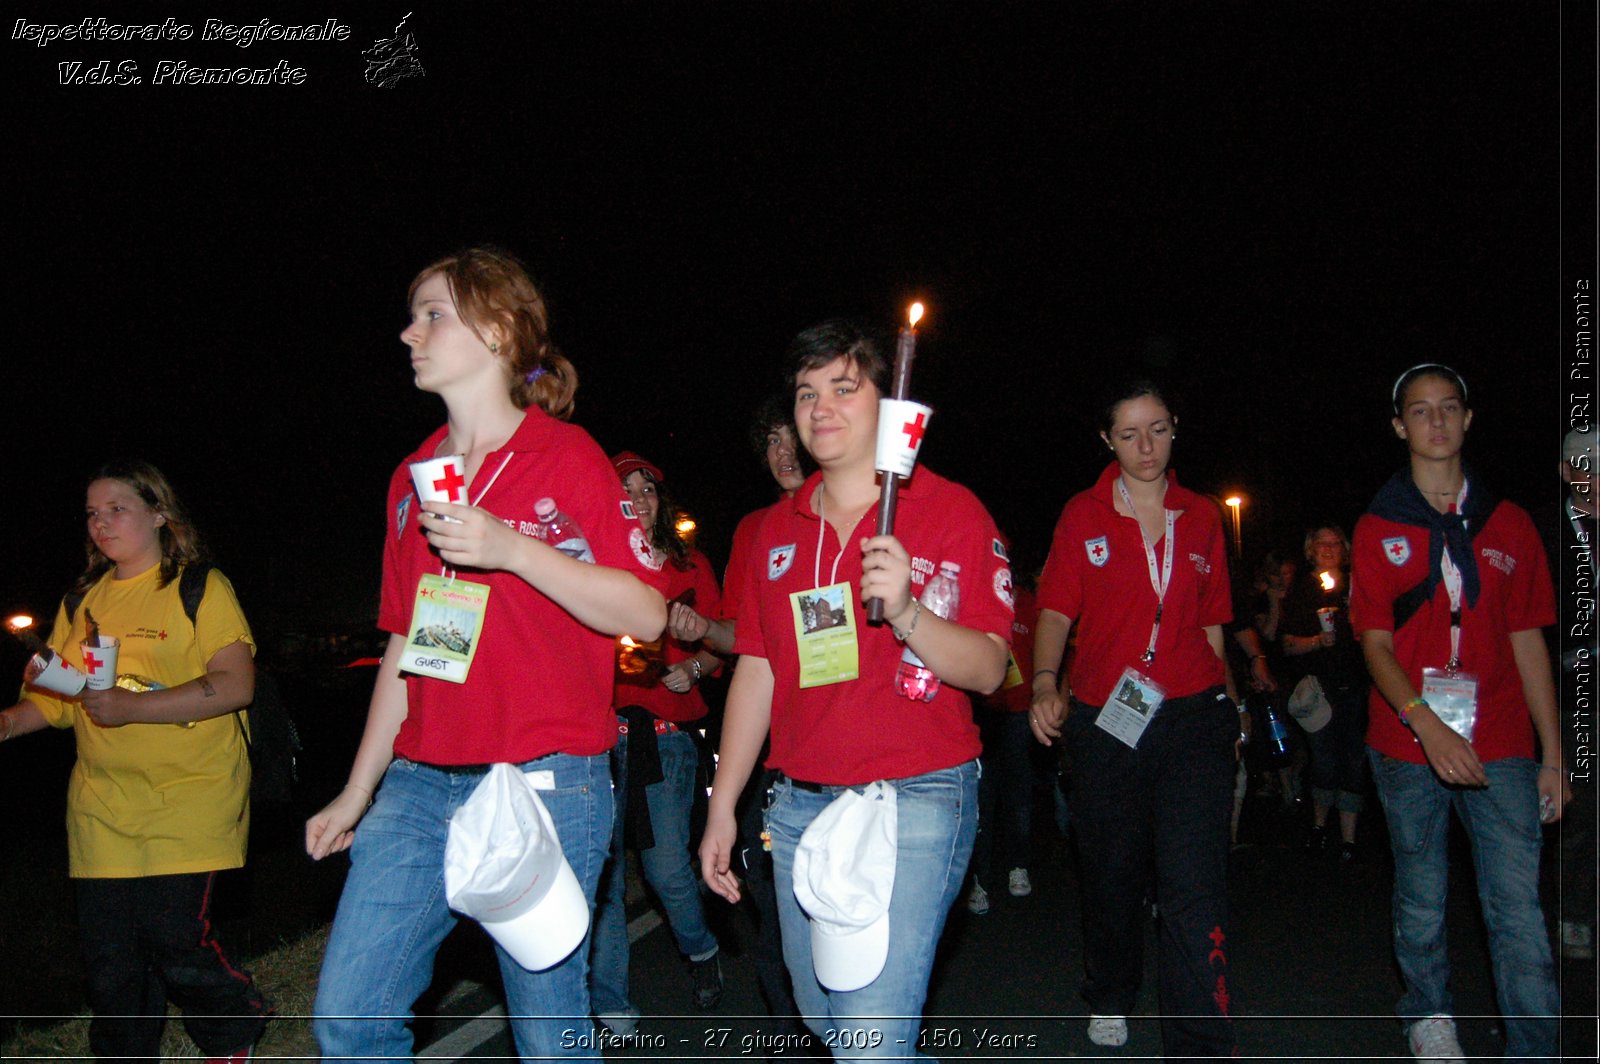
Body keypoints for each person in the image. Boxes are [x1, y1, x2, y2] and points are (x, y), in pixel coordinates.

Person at [306, 247, 666, 1060]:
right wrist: (356, 791)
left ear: (501, 330)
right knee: (349, 1022)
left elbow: (646, 611)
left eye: (432, 313)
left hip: (544, 782)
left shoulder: (568, 459)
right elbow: (412, 643)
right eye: (413, 315)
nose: (409, 333)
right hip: (420, 786)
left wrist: (512, 548)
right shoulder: (412, 478)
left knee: (550, 1035)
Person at [699, 320, 1011, 1061]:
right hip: (802, 803)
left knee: (868, 1038)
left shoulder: (949, 510)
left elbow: (991, 668)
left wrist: (907, 610)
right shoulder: (774, 532)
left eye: (844, 387)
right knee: (823, 1012)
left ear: (888, 405)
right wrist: (720, 810)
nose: (821, 408)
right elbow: (758, 670)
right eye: (807, 393)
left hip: (919, 796)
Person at [0, 460, 268, 1063]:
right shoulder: (83, 600)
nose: (101, 523)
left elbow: (234, 686)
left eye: (116, 508)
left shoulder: (199, 586)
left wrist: (130, 707)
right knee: (110, 957)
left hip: (191, 794)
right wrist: (11, 721)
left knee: (175, 936)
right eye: (92, 513)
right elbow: (60, 701)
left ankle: (234, 1026)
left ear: (158, 514)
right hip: (102, 804)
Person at [1352, 363, 1566, 1063]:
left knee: (1518, 911)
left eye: (1449, 408)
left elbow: (1528, 638)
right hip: (1407, 738)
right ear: (1399, 427)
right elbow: (1374, 643)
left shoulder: (1508, 523)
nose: (1436, 422)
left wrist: (1554, 755)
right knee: (1422, 894)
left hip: (1501, 737)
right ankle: (1429, 1011)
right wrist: (1425, 720)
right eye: (1420, 411)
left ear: (1468, 419)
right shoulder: (1379, 524)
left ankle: (1535, 1047)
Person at [1031, 380, 1239, 1058]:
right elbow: (1056, 610)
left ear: (1176, 429)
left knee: (1192, 881)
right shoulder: (1082, 514)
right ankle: (1112, 990)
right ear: (1106, 440)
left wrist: (1228, 708)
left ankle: (1198, 1038)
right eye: (1129, 433)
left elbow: (1213, 626)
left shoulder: (1202, 514)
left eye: (1158, 429)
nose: (1145, 446)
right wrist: (1043, 682)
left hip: (1191, 716)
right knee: (1113, 869)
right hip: (1107, 718)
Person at [589, 451, 725, 1033]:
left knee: (667, 866)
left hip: (667, 737)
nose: (639, 500)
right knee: (604, 876)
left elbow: (727, 642)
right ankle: (610, 998)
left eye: (648, 489)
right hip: (599, 738)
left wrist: (693, 669)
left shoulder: (689, 566)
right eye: (627, 490)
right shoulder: (593, 566)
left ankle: (702, 951)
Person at [1280, 525, 1368, 862]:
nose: (1329, 549)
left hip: (1355, 686)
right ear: (1310, 550)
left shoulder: (1358, 585)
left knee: (1354, 762)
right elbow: (1287, 645)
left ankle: (1349, 838)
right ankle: (1318, 828)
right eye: (1322, 544)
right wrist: (1317, 641)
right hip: (1319, 690)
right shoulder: (1302, 591)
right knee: (1325, 760)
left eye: (1336, 543)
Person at [967, 551, 1040, 914]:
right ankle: (979, 881)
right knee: (980, 800)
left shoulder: (1027, 603)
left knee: (1019, 796)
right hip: (982, 715)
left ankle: (1019, 866)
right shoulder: (975, 596)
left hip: (1018, 714)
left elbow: (1043, 653)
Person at [1558, 424, 1596, 961]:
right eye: (1586, 464)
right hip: (1575, 697)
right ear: (1568, 472)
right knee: (1584, 810)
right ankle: (1574, 918)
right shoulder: (1553, 537)